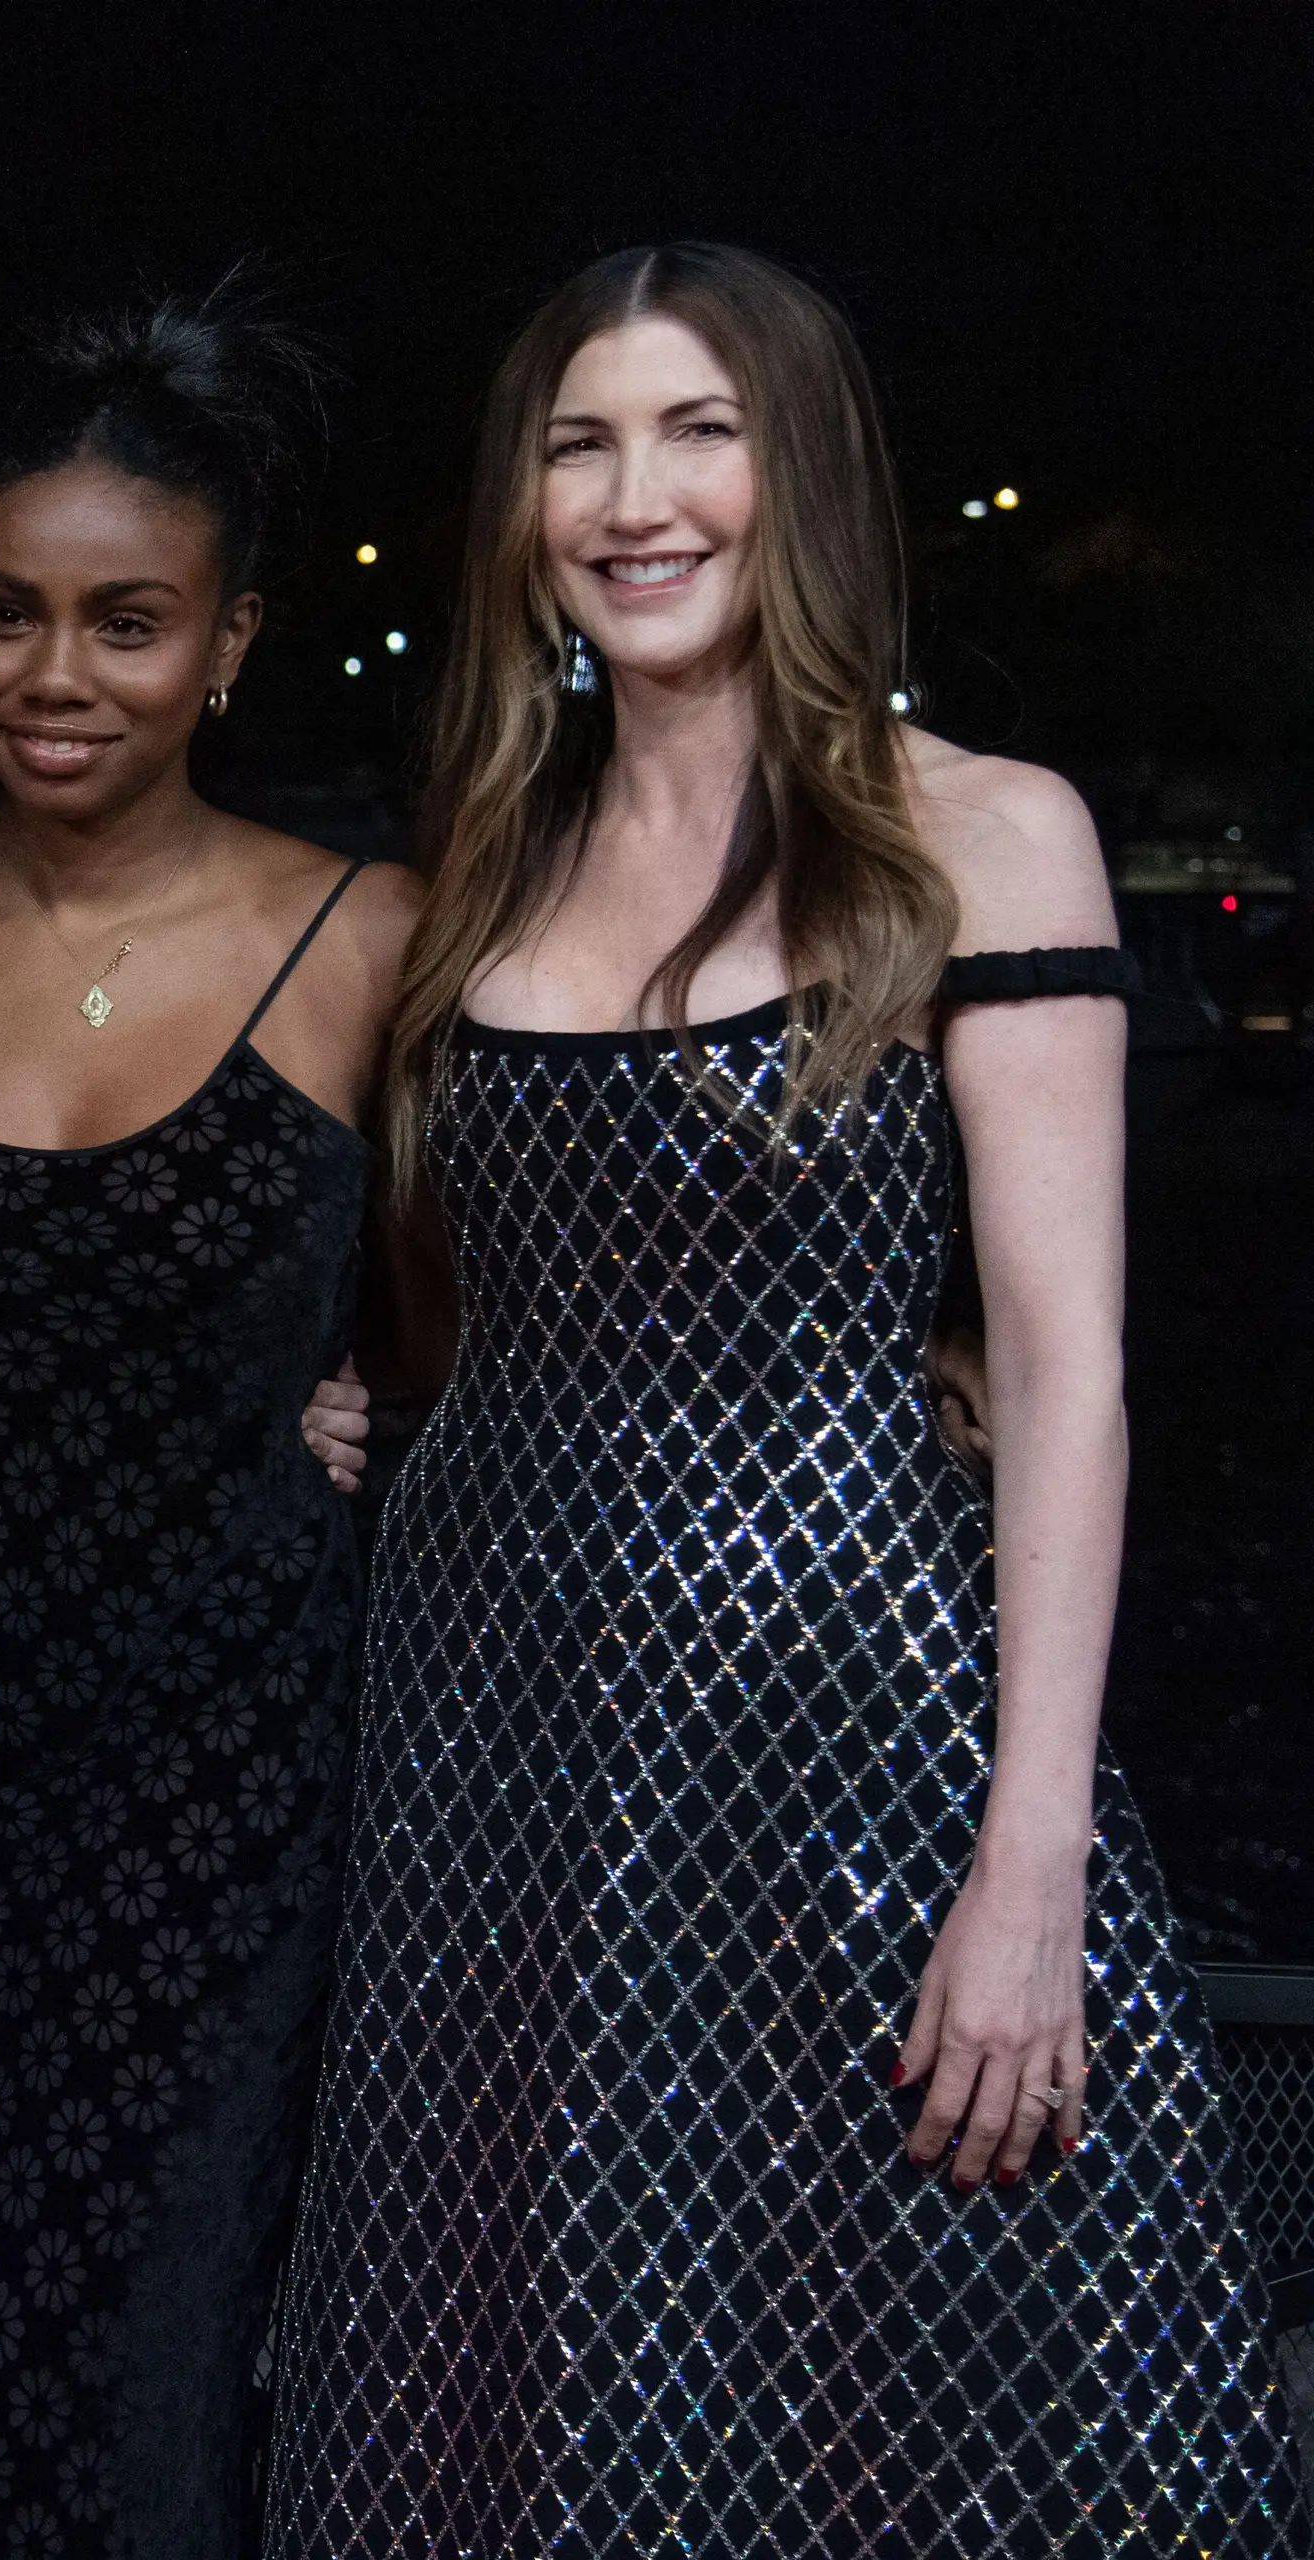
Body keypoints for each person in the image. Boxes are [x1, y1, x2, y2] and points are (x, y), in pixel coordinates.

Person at [262, 242, 1300, 2551]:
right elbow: (475, 1296)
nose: (639, 497)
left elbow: (1066, 1363)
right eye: (580, 443)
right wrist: (356, 1394)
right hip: (495, 1737)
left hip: (854, 1731)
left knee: (925, 2388)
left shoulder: (978, 829)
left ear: (802, 473)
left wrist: (1028, 1858)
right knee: (530, 2379)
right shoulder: (481, 860)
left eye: (699, 431)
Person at [0, 299, 412, 2556]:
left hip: (228, 1788)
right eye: (5, 612)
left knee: (139, 2367)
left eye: (128, 622)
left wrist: (373, 1416)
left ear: (227, 641)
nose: (59, 670)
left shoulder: (368, 940)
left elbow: (474, 1348)